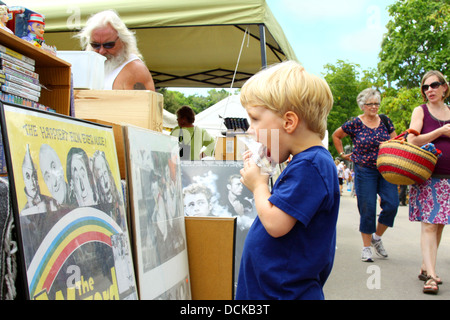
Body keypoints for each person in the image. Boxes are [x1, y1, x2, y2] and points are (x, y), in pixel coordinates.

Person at [236, 60, 339, 300]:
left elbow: (275, 223)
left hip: (283, 293)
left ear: (289, 122)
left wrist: (259, 185)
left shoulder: (311, 165)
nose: (251, 130)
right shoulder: (306, 162)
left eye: (255, 119)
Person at [332, 88, 399, 263]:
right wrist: (342, 154)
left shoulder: (385, 121)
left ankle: (377, 237)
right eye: (370, 104)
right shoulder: (355, 123)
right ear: (362, 106)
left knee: (392, 204)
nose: (374, 107)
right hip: (364, 170)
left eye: (377, 103)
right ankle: (366, 247)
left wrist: (392, 145)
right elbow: (336, 135)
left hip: (386, 169)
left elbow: (397, 141)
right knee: (368, 208)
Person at [407, 70, 450, 295]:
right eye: (425, 87)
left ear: (444, 87)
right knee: (430, 224)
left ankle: (426, 266)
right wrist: (441, 131)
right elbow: (411, 140)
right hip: (427, 176)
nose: (429, 90)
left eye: (434, 85)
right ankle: (432, 277)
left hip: (448, 178)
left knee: (440, 224)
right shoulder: (420, 111)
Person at [76, 9, 155, 91]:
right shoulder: (90, 68)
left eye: (108, 45)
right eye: (95, 45)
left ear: (123, 41)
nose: (101, 51)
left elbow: (143, 103)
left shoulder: (135, 70)